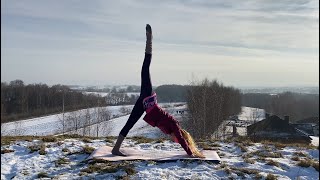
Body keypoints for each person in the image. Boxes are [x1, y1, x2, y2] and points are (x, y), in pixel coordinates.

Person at [111, 24, 204, 158]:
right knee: (145, 68)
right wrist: (191, 153)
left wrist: (193, 149)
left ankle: (115, 149)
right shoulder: (175, 127)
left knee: (129, 124)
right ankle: (149, 40)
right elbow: (183, 141)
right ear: (178, 136)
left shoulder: (170, 131)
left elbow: (182, 141)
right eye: (176, 140)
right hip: (148, 99)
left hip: (145, 106)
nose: (174, 141)